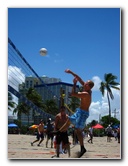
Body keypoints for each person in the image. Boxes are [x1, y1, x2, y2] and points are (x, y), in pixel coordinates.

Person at [53, 69, 94, 158]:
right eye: (85, 82)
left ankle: (83, 148)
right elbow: (79, 78)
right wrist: (71, 72)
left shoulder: (86, 94)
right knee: (68, 120)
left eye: (86, 83)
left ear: (89, 87)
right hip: (80, 111)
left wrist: (74, 83)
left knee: (78, 130)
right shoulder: (87, 88)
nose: (84, 83)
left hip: (83, 113)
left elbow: (73, 93)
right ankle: (59, 131)